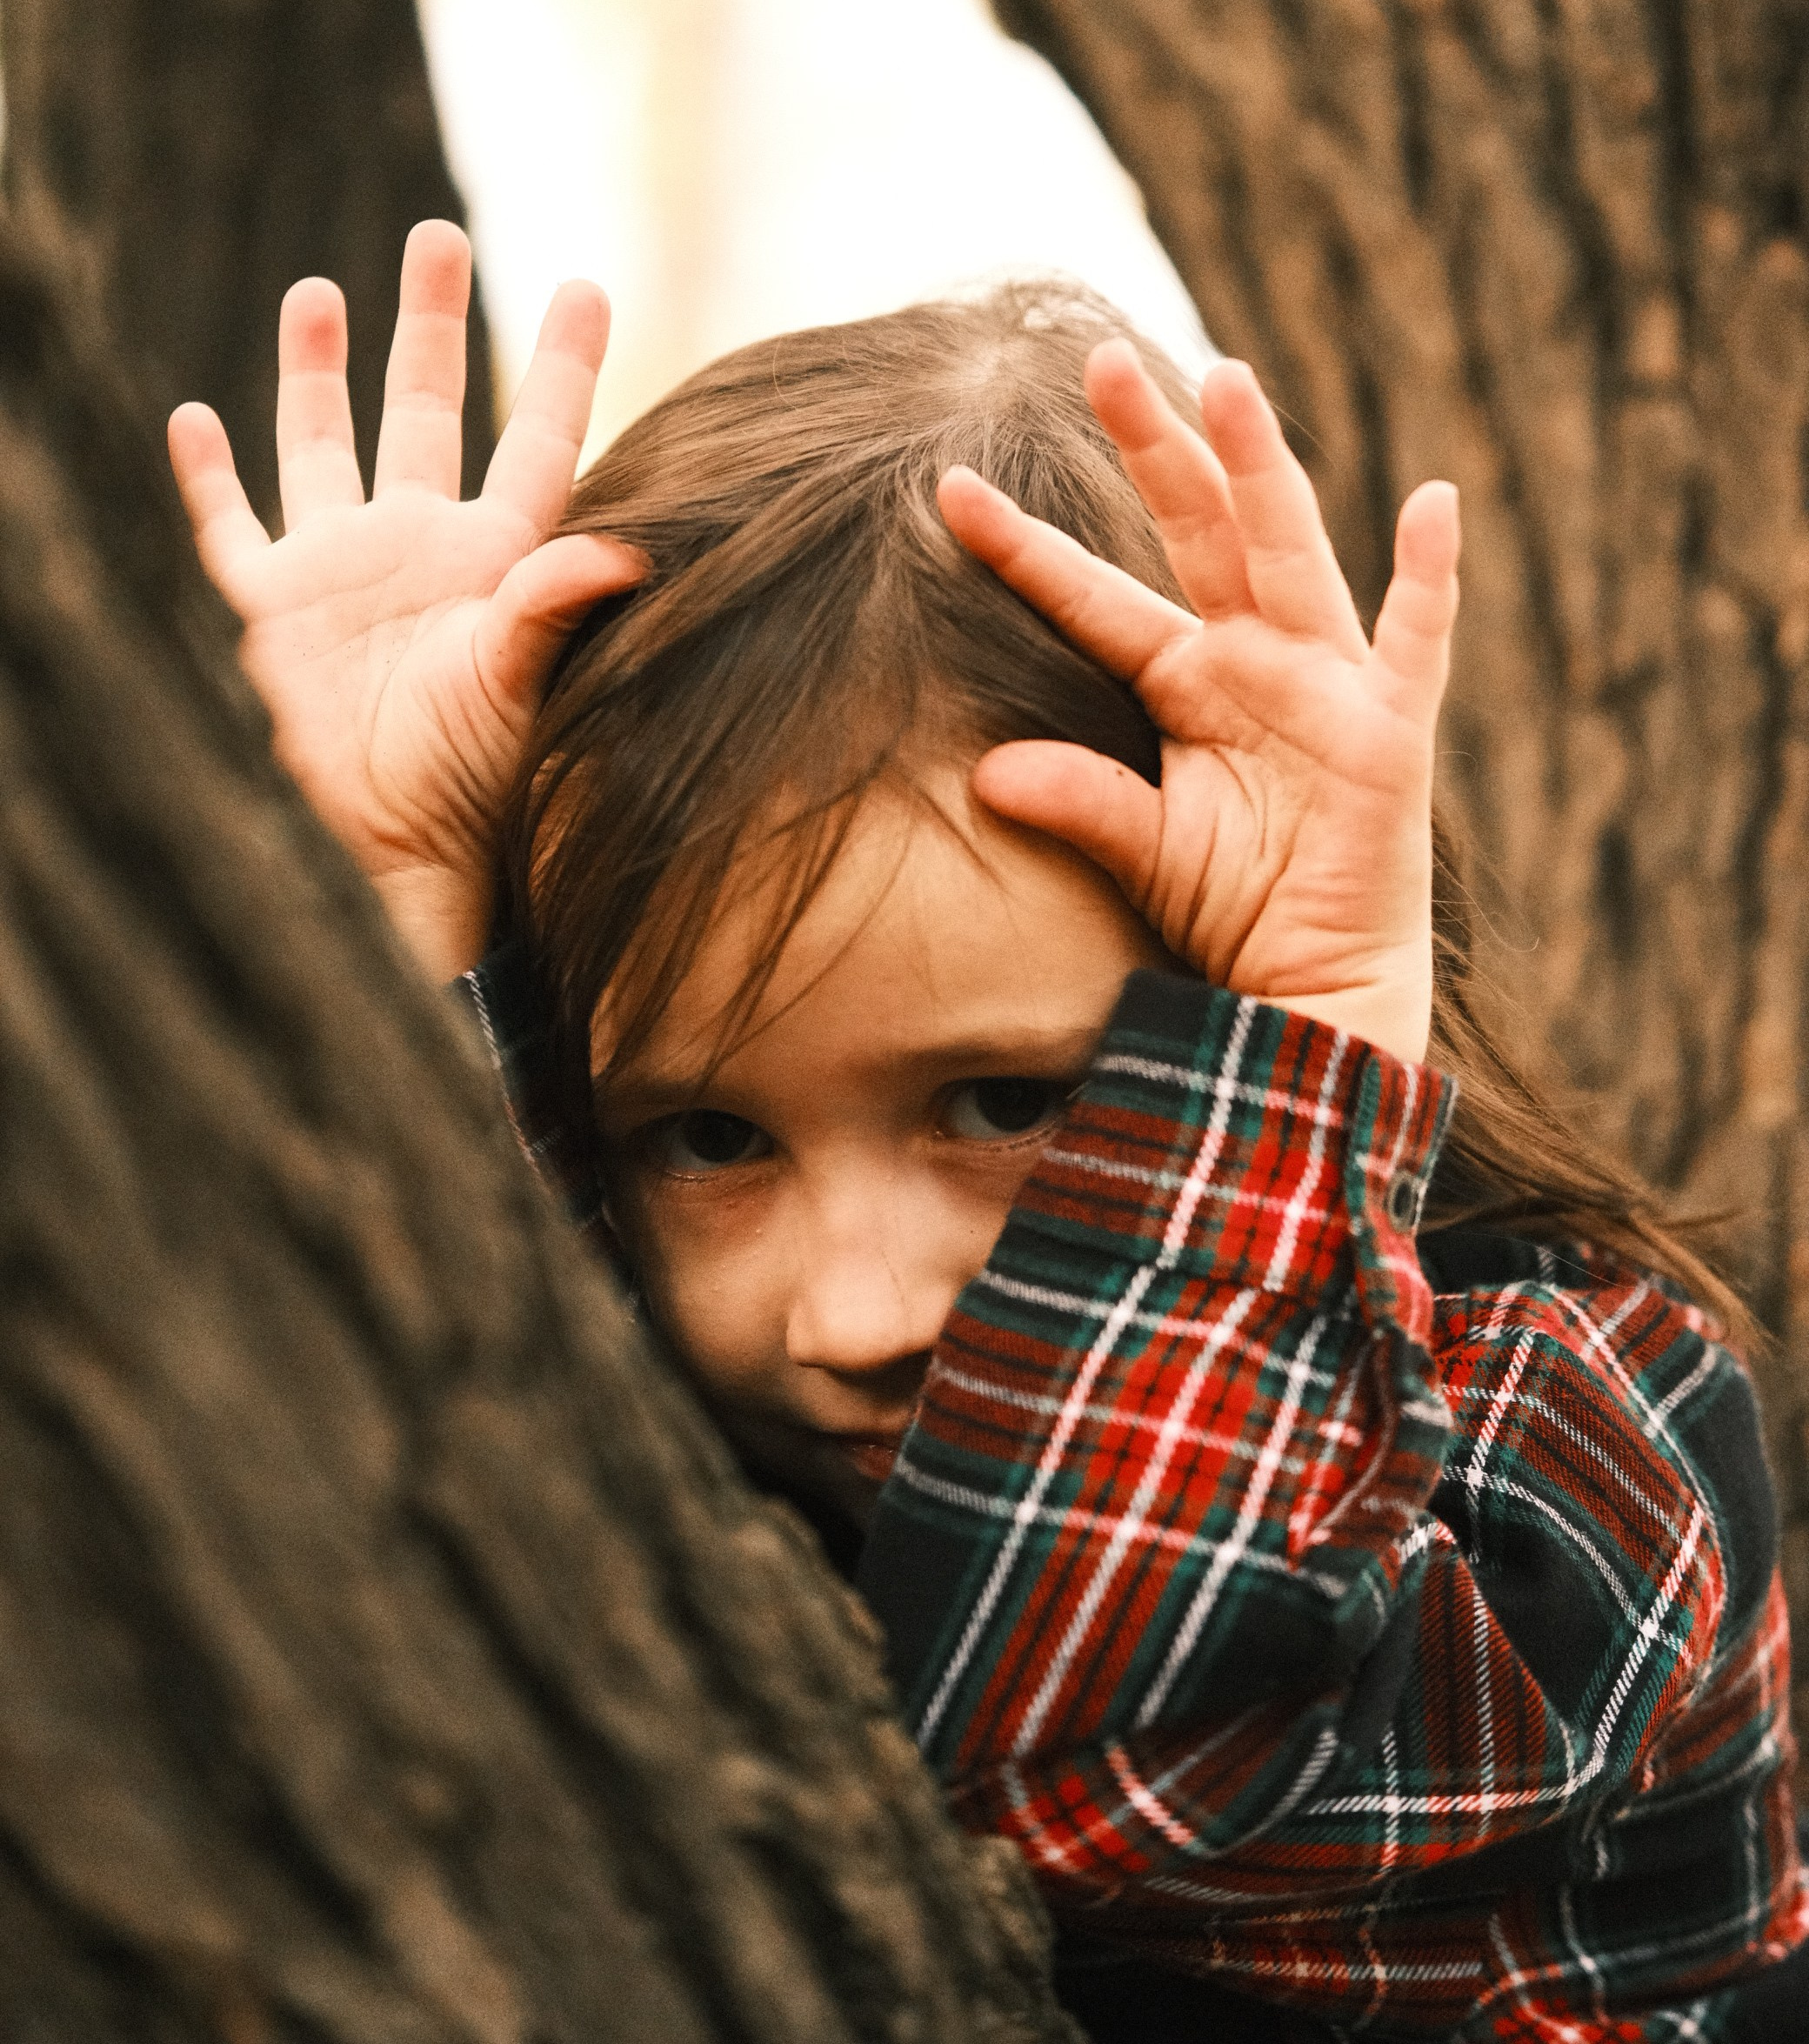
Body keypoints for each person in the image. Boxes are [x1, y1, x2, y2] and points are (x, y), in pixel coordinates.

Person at [170, 220, 1809, 2041]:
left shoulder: (1573, 1427)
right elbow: (455, 1553)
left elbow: (1109, 1753)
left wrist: (1308, 1023)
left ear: (1250, 1023)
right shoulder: (737, 1459)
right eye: (705, 1139)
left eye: (1005, 1106)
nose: (858, 1313)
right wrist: (400, 923)